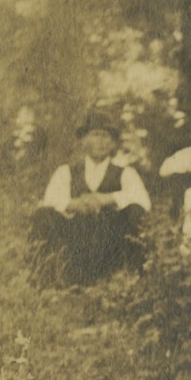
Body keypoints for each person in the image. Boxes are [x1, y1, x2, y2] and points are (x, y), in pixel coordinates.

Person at [30, 112, 151, 285]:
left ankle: (130, 276)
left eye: (106, 136)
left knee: (135, 211)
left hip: (110, 243)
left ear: (112, 143)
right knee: (43, 215)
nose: (101, 141)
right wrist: (74, 204)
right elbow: (50, 200)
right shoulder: (66, 172)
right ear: (84, 140)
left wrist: (106, 199)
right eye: (95, 135)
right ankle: (48, 277)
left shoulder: (125, 173)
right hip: (75, 241)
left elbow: (143, 201)